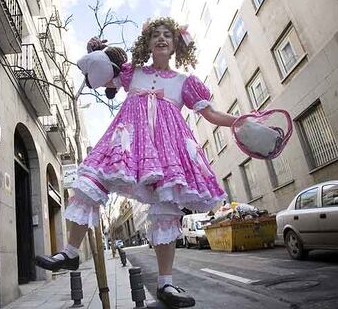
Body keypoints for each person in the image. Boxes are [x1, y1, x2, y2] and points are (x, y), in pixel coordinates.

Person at [35, 17, 238, 308]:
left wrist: (241, 121)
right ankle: (70, 252)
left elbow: (212, 115)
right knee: (91, 178)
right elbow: (103, 75)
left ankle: (166, 284)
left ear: (176, 44)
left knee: (166, 208)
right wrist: (96, 53)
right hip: (127, 141)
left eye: (168, 35)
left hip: (168, 149)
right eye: (156, 34)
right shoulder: (133, 73)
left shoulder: (185, 83)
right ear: (148, 42)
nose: (162, 38)